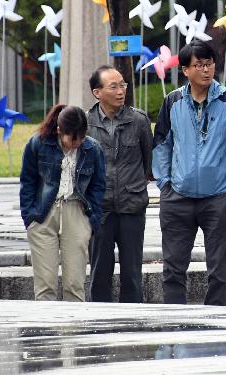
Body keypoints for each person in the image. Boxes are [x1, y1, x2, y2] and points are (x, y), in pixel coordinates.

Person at [152, 39, 226, 305]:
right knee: (173, 268)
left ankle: (217, 321)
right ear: (185, 70)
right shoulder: (172, 101)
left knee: (219, 270)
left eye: (209, 64)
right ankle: (174, 325)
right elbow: (161, 144)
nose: (206, 70)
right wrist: (164, 184)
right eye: (199, 65)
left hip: (219, 196)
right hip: (177, 198)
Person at [20, 105, 106, 301]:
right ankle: (44, 330)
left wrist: (91, 220)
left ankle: (74, 330)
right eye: (72, 138)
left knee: (75, 286)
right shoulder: (37, 144)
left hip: (77, 211)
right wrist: (30, 218)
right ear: (60, 130)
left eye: (81, 137)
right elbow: (27, 182)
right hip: (43, 213)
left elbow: (99, 186)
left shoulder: (92, 149)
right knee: (45, 287)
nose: (77, 143)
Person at [86, 65, 153, 303]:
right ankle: (98, 325)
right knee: (99, 273)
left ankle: (133, 325)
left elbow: (148, 161)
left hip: (132, 206)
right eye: (113, 86)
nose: (120, 91)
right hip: (99, 209)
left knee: (132, 274)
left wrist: (132, 185)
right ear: (97, 92)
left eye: (122, 85)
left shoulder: (138, 120)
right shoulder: (86, 122)